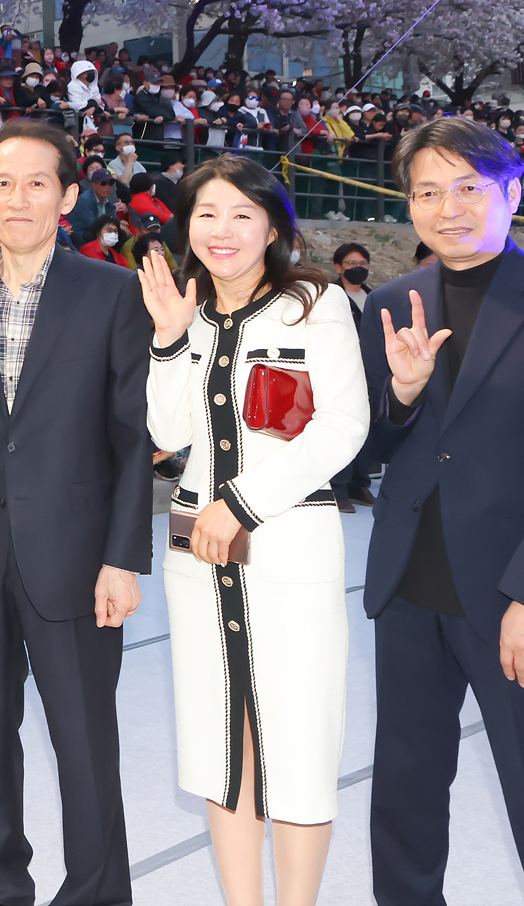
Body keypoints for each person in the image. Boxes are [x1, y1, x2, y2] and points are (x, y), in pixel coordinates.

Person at [359, 118, 524, 906]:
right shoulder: (393, 302)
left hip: (517, 600)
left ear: (511, 192)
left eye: (469, 187)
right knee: (403, 797)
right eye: (428, 191)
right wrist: (398, 398)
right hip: (409, 590)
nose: (449, 207)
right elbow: (361, 452)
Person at [0, 117, 152, 906]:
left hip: (77, 557)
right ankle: (3, 879)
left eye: (37, 183)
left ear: (70, 196)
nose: (18, 199)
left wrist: (123, 557)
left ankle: (97, 890)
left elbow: (131, 437)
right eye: (2, 183)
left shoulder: (112, 294)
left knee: (83, 741)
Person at [137, 156, 368, 906]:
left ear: (273, 226)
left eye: (242, 213)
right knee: (218, 747)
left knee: (298, 744)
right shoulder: (186, 312)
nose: (223, 230)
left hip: (287, 549)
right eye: (207, 214)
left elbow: (342, 425)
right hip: (196, 558)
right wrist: (170, 341)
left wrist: (243, 501)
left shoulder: (315, 305)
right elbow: (167, 433)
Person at [331, 241, 370, 311]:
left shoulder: (374, 297)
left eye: (363, 263)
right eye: (352, 263)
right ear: (338, 268)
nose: (358, 267)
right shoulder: (330, 296)